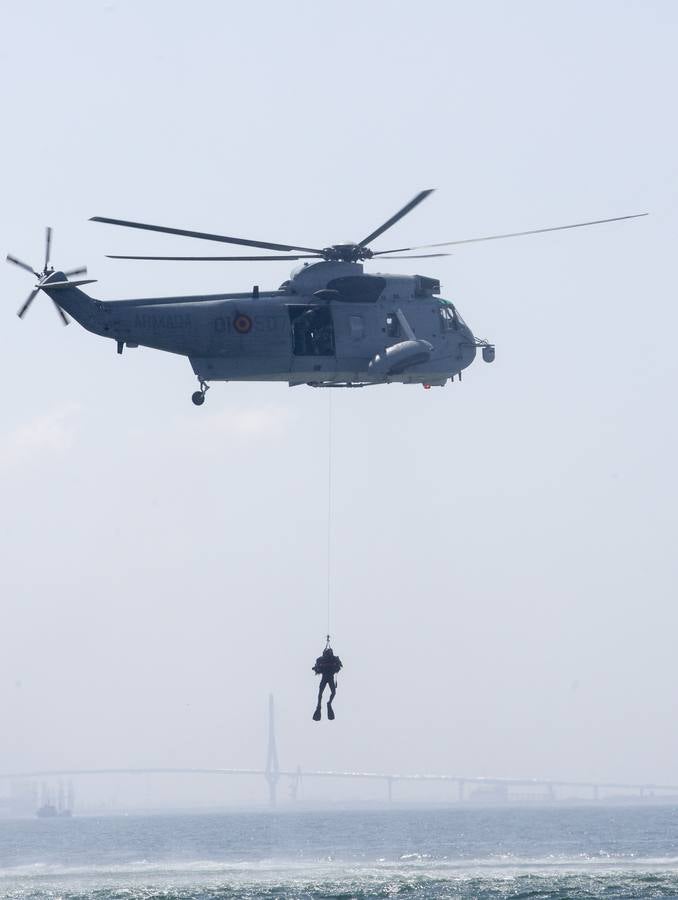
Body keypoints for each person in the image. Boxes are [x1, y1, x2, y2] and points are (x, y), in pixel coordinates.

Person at [312, 644, 342, 721]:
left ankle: (327, 704)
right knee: (321, 692)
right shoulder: (323, 659)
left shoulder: (332, 659)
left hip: (329, 677)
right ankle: (319, 705)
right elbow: (318, 666)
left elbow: (339, 666)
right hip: (325, 677)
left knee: (332, 692)